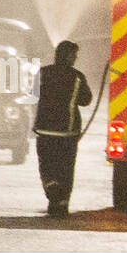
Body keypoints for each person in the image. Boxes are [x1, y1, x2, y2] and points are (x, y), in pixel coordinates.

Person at [32, 41, 93, 218]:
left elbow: (32, 94)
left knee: (47, 166)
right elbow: (86, 100)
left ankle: (52, 194)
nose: (75, 59)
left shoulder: (42, 73)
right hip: (68, 132)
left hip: (44, 131)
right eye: (74, 56)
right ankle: (62, 204)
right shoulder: (77, 77)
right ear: (68, 56)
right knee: (65, 168)